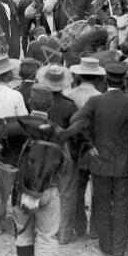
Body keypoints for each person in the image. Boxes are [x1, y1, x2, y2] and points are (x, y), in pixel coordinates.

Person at [67, 61, 128, 256]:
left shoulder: (95, 101)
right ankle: (119, 247)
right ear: (124, 81)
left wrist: (90, 143)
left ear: (106, 79)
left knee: (101, 203)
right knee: (122, 204)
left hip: (100, 161)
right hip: (125, 162)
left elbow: (76, 121)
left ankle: (106, 245)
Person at [12, 83, 64, 256]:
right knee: (47, 233)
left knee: (22, 231)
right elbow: (64, 163)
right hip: (48, 190)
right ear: (50, 106)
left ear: (30, 103)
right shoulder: (57, 131)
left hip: (20, 189)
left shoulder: (16, 127)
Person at [36, 64, 78, 245]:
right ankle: (64, 233)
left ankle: (41, 229)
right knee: (66, 192)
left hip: (42, 150)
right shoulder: (70, 106)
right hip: (62, 151)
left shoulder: (39, 102)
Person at [65, 57, 105, 237]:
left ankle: (79, 225)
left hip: (74, 149)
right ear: (97, 77)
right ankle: (96, 228)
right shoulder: (101, 98)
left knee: (77, 189)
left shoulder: (69, 95)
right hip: (95, 148)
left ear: (79, 75)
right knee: (97, 190)